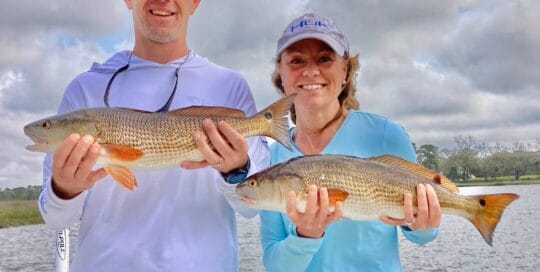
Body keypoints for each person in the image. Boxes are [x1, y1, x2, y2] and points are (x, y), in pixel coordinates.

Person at [37, 0, 269, 271]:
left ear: (195, 2)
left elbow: (252, 207)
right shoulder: (84, 89)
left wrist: (236, 170)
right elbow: (55, 219)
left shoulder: (231, 87)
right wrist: (65, 189)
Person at [259, 13, 442, 271]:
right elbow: (275, 264)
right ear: (281, 73)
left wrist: (423, 224)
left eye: (324, 58)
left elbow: (423, 235)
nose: (310, 71)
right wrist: (304, 237)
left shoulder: (386, 134)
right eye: (296, 61)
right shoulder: (273, 156)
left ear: (344, 70)